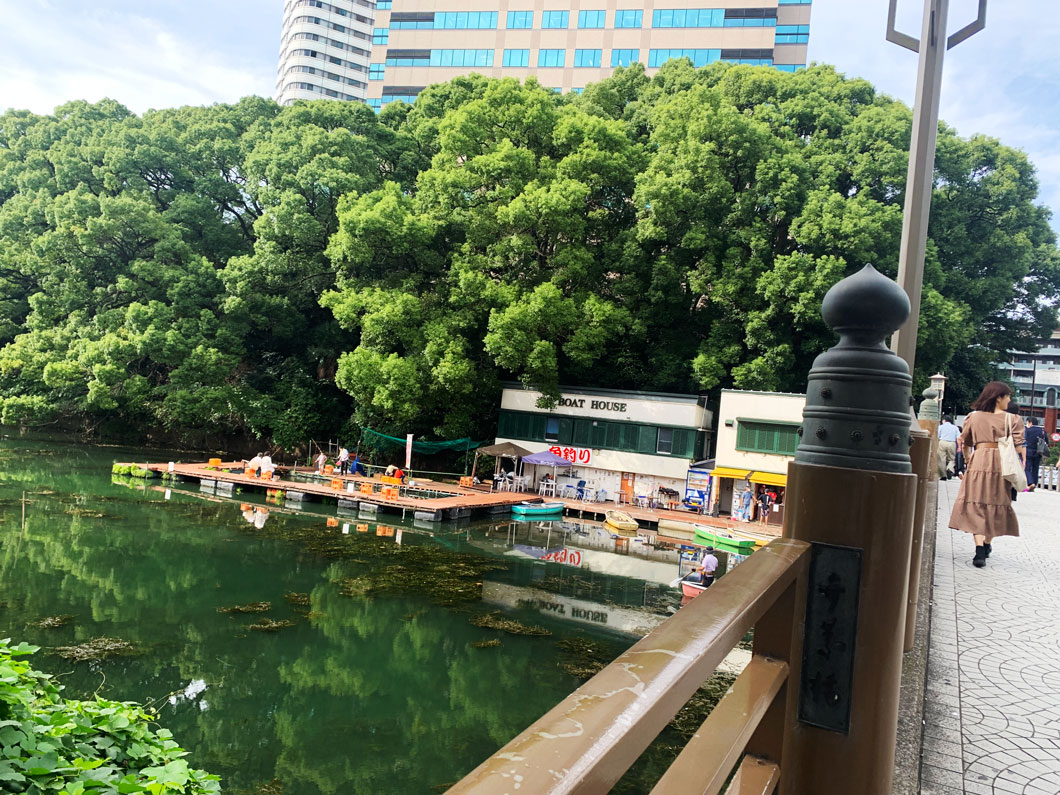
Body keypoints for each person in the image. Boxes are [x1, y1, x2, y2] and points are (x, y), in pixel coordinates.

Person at [949, 381, 1025, 569]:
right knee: (997, 503)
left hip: (979, 461)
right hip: (1002, 465)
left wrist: (968, 459)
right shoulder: (1013, 420)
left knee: (976, 503)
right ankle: (987, 542)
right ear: (999, 397)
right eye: (1007, 396)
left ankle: (979, 549)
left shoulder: (973, 417)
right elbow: (1018, 446)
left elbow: (965, 442)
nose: (1009, 400)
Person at [1023, 417, 1048, 491]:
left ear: (1030, 423)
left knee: (1027, 468)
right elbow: (1046, 442)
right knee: (1035, 469)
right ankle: (1034, 483)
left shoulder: (1027, 430)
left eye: (1027, 423)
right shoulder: (1042, 431)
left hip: (1028, 452)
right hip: (1038, 452)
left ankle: (1030, 483)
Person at [937, 415, 960, 480]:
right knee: (951, 459)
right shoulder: (955, 428)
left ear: (944, 420)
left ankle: (943, 475)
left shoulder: (940, 427)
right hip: (952, 443)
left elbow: (937, 436)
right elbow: (958, 438)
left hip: (942, 442)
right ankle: (949, 469)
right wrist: (959, 447)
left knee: (941, 459)